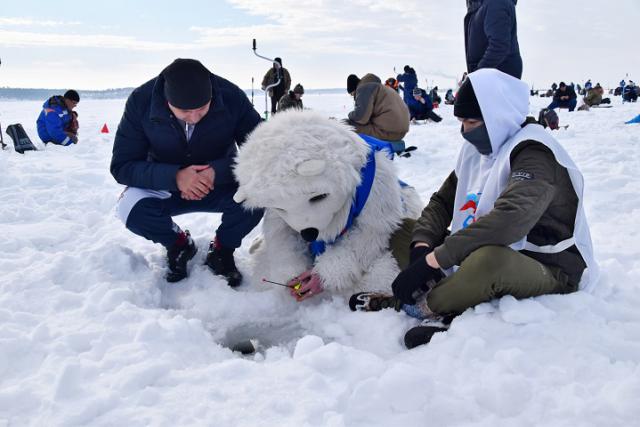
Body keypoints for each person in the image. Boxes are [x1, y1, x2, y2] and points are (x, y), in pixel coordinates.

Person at [350, 69, 597, 349]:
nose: (464, 130)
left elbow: (510, 221)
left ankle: (415, 306)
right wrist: (422, 248)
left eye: (471, 121)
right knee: (403, 229)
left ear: (497, 116)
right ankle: (450, 295)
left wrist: (435, 261)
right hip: (471, 249)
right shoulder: (478, 150)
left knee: (489, 260)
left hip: (545, 264)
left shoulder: (536, 154)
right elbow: (442, 202)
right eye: (461, 121)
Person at [111, 58, 263, 285]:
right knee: (129, 208)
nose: (193, 118)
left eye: (202, 109)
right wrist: (176, 177)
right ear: (166, 101)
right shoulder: (140, 102)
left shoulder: (231, 97)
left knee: (259, 194)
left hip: (220, 184)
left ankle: (223, 249)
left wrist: (216, 172)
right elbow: (122, 166)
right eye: (184, 111)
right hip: (166, 187)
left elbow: (262, 152)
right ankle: (178, 244)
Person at [464, 0, 522, 79]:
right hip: (491, 79)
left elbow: (499, 46)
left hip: (497, 80)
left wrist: (476, 76)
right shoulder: (482, 6)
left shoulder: (495, 3)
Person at [345, 73, 410, 141]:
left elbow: (361, 118)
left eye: (352, 94)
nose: (353, 97)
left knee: (345, 124)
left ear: (354, 89)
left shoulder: (364, 88)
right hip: (400, 133)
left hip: (387, 132)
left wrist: (350, 115)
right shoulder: (381, 88)